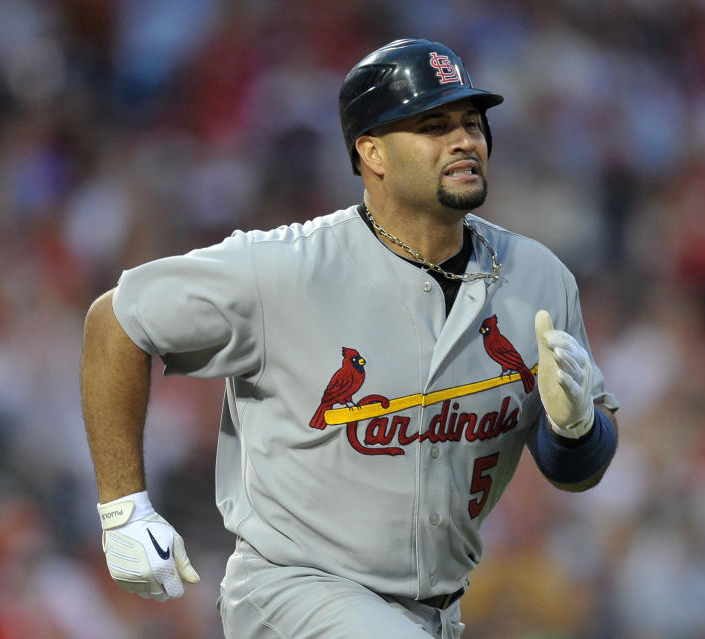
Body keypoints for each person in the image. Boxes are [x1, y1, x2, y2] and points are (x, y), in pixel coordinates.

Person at [81, 38, 619, 639]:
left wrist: (574, 431)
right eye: (434, 126)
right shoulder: (285, 269)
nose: (465, 140)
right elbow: (117, 320)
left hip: (438, 612)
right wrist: (123, 509)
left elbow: (577, 473)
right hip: (293, 593)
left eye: (472, 123)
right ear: (372, 153)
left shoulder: (538, 278)